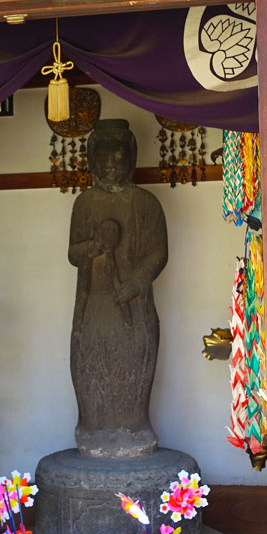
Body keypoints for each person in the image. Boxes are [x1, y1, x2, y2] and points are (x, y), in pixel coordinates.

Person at [68, 120, 168, 459]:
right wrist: (95, 246)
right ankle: (92, 427)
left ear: (131, 159)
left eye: (118, 158)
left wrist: (137, 283)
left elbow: (159, 252)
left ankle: (134, 427)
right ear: (91, 160)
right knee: (91, 361)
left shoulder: (145, 203)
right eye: (104, 158)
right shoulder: (84, 203)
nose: (110, 165)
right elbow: (73, 254)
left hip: (134, 302)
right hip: (95, 303)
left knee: (134, 363)